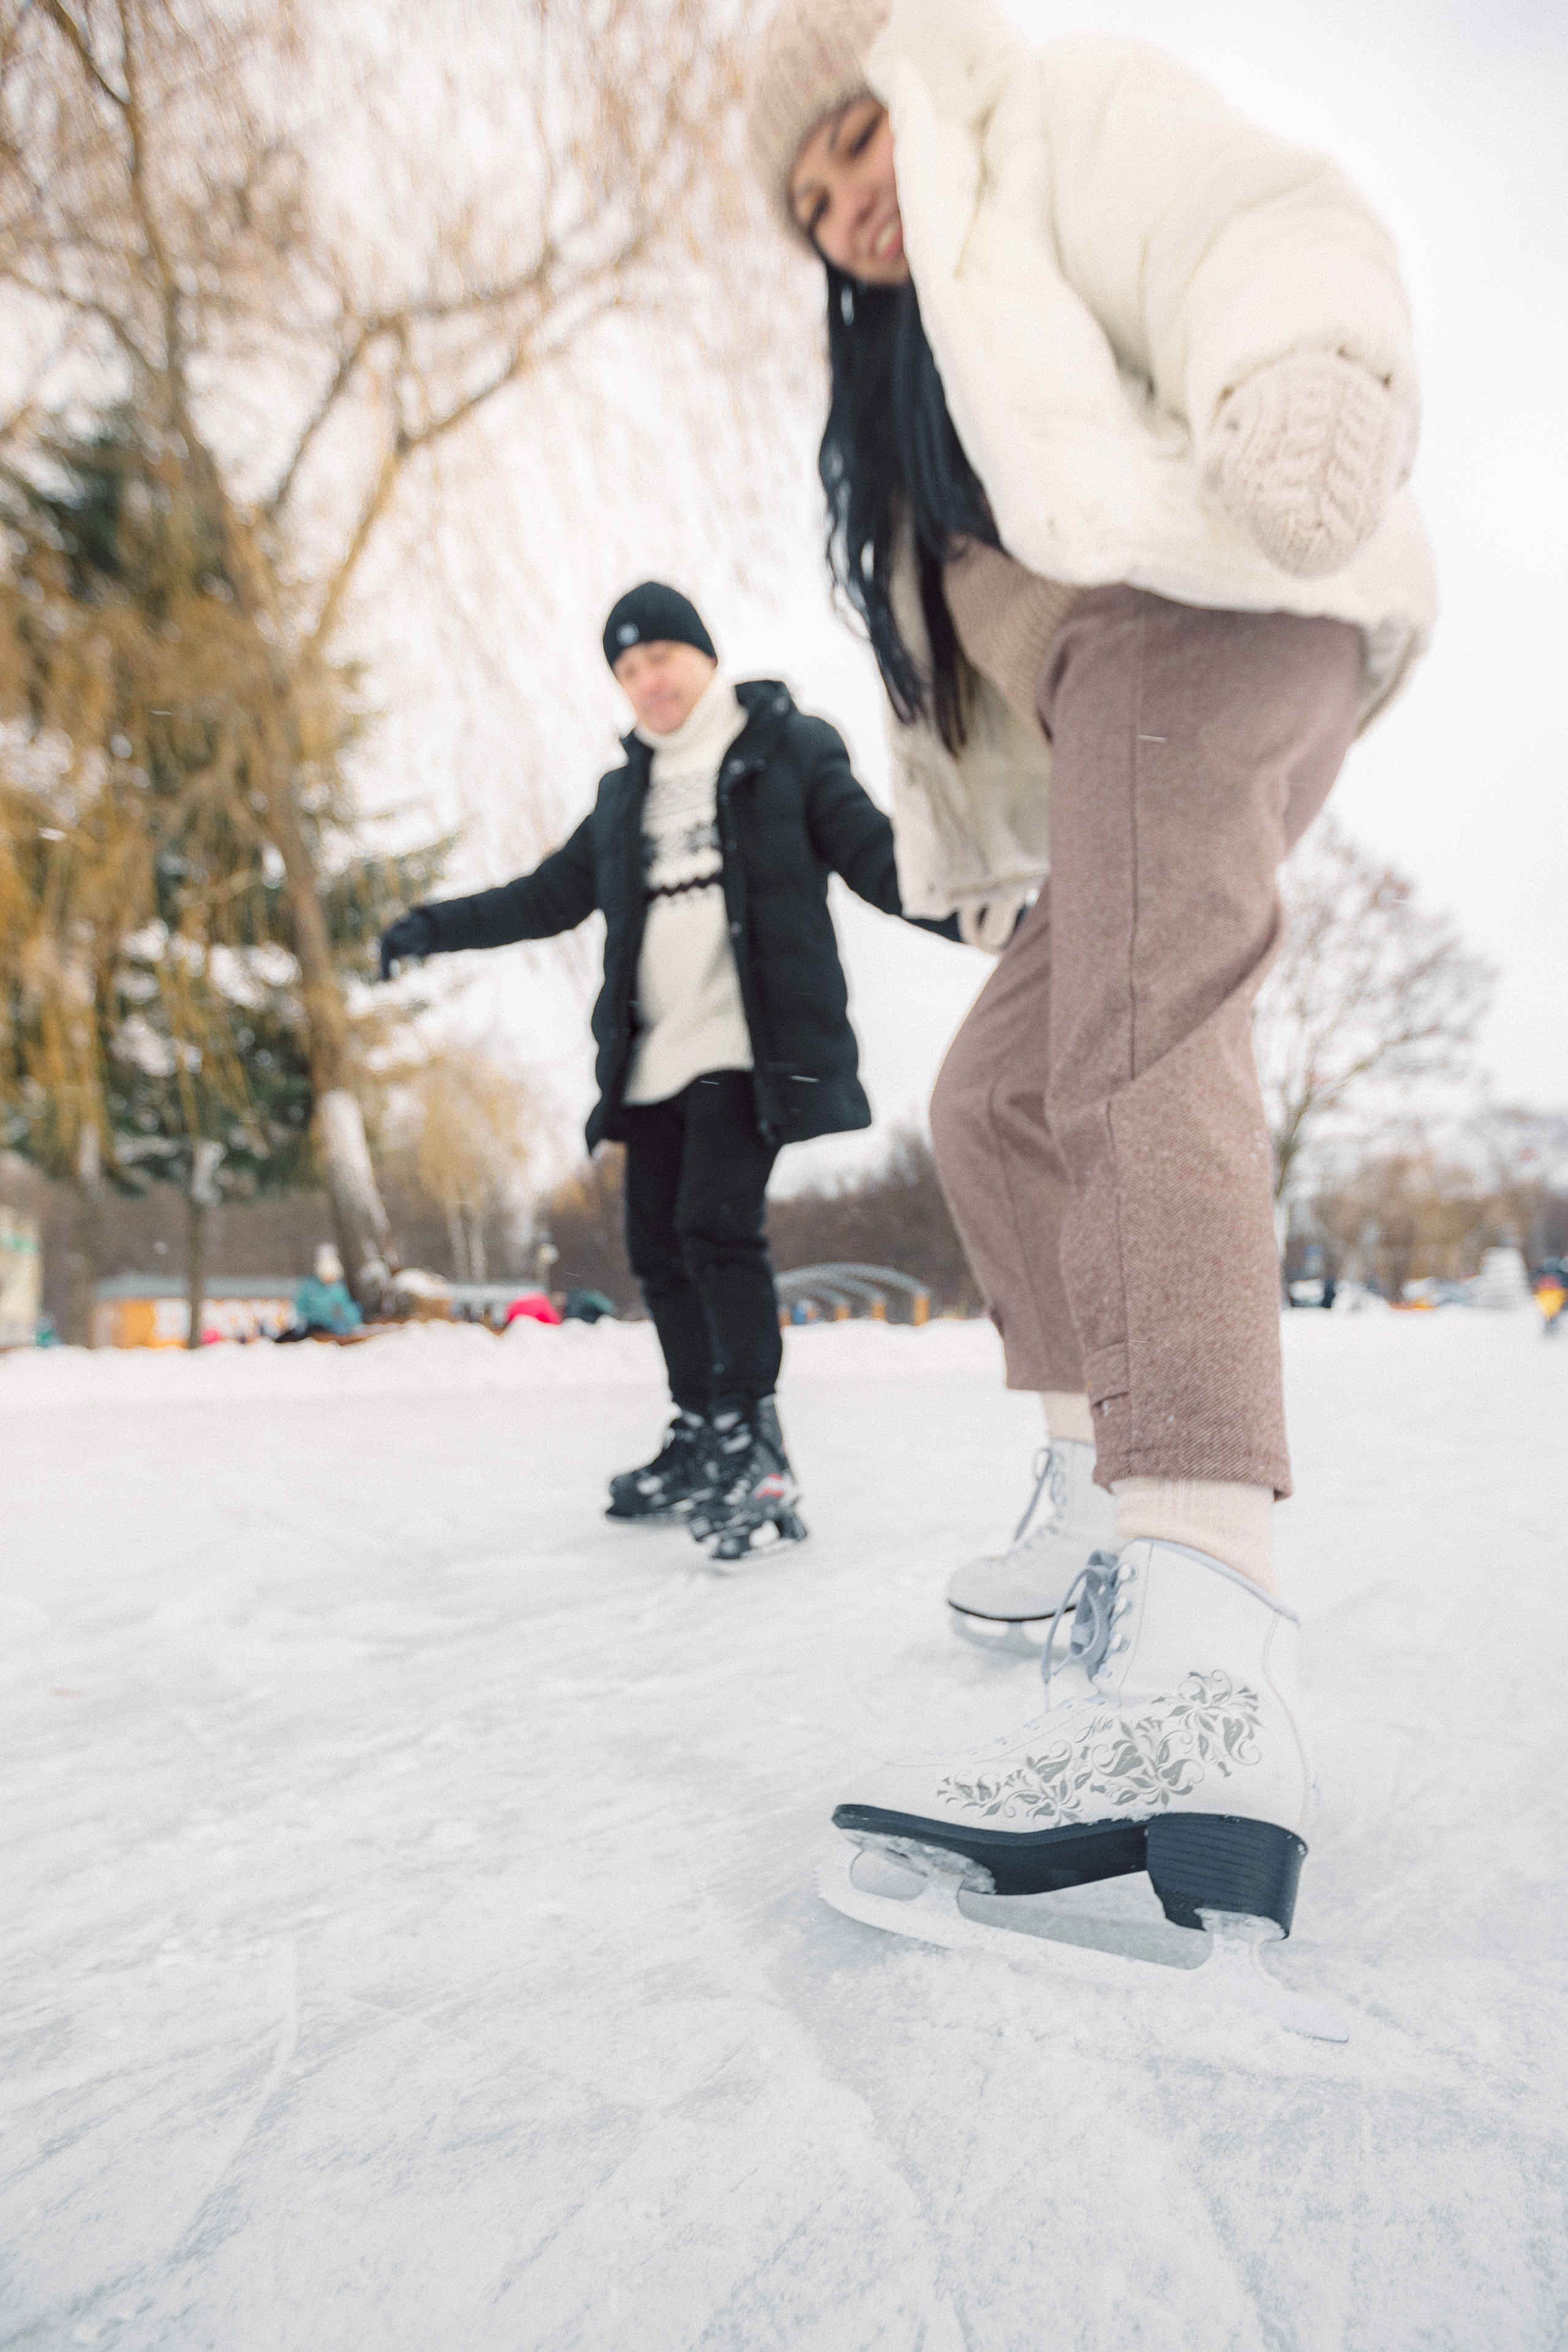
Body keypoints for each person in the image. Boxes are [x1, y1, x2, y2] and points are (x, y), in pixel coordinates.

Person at [745, 0, 1434, 1964]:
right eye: (810, 198)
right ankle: (1082, 1489)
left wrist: (1303, 366)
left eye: (853, 147)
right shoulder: (905, 374)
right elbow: (965, 683)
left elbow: (1244, 216)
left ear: (906, 92)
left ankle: (1203, 1650)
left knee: (1140, 1049)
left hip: (1215, 596)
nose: (847, 207)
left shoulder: (1042, 121)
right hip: (1113, 697)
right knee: (991, 1091)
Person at [377, 581, 962, 1561]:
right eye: (629, 668)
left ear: (705, 654)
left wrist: (989, 917)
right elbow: (548, 896)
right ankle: (700, 1430)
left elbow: (876, 858)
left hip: (750, 1047)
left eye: (662, 659)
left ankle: (753, 1437)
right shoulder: (625, 795)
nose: (649, 681)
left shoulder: (788, 749)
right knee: (656, 1247)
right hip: (652, 1058)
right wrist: (430, 928)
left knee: (715, 1225)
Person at [277, 1243, 364, 1341]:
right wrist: (300, 1320)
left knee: (357, 1310)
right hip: (312, 1325)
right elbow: (300, 1305)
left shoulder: (337, 1289)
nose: (329, 1281)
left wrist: (355, 1325)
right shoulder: (309, 1286)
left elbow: (347, 1308)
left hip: (330, 1326)